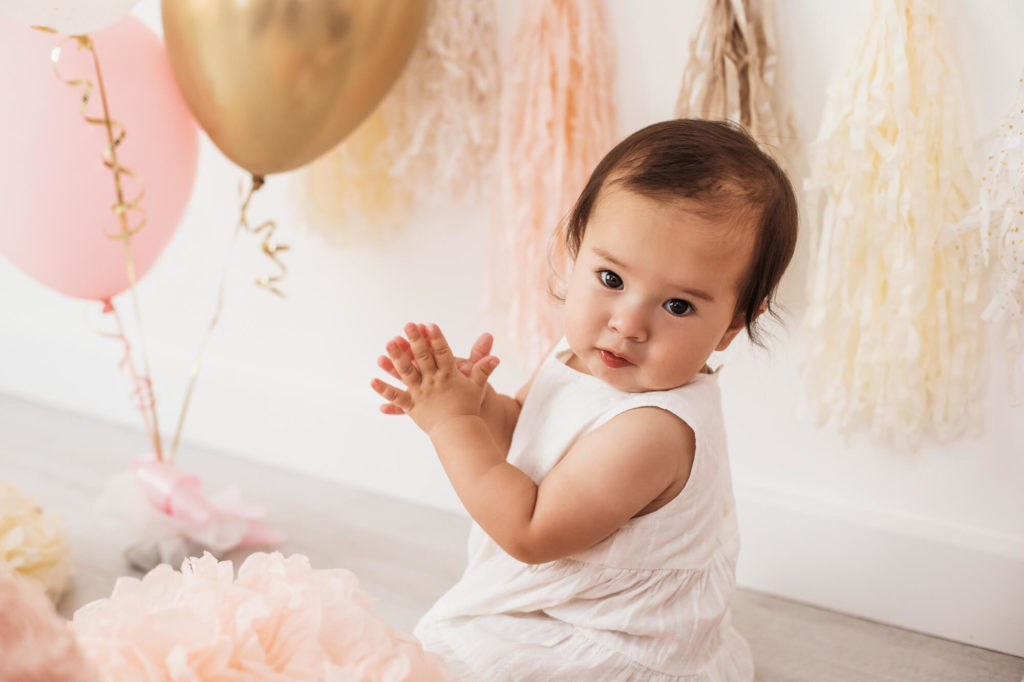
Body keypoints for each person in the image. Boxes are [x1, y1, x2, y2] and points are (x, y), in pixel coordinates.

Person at [370, 118, 798, 681]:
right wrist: (475, 405)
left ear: (731, 327)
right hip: (558, 607)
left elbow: (530, 530)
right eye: (611, 279)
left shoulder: (654, 431)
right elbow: (523, 431)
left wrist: (450, 427)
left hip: (609, 641)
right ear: (575, 251)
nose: (627, 325)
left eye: (677, 307)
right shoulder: (578, 355)